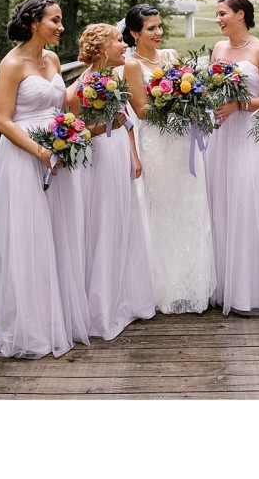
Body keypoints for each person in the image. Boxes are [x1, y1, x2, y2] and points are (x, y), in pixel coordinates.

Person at [0, 0, 89, 358]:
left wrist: (72, 132)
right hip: (25, 157)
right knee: (29, 237)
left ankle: (57, 317)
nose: (61, 27)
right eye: (55, 20)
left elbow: (60, 105)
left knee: (58, 233)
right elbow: (2, 120)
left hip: (59, 156)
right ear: (34, 23)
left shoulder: (53, 59)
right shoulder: (11, 63)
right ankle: (31, 329)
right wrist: (41, 152)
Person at [121, 3, 215, 314]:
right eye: (151, 28)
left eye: (160, 26)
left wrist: (191, 100)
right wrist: (174, 102)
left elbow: (191, 88)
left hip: (182, 139)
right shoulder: (132, 65)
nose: (159, 33)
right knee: (161, 207)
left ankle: (190, 285)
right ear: (135, 33)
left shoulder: (172, 56)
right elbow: (142, 111)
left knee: (189, 205)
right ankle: (162, 287)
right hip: (157, 143)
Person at [72, 23, 155, 339]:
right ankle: (102, 310)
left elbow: (126, 122)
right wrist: (108, 125)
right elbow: (77, 128)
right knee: (105, 223)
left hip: (119, 151)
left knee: (122, 221)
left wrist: (134, 155)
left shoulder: (113, 78)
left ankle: (126, 298)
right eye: (119, 41)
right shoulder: (86, 83)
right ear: (104, 48)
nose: (125, 45)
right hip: (101, 156)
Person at [204, 0, 259, 316]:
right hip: (221, 134)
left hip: (248, 132)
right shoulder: (219, 49)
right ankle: (221, 285)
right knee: (220, 200)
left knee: (246, 203)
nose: (218, 19)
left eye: (222, 14)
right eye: (217, 14)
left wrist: (240, 104)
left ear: (240, 15)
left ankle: (249, 291)